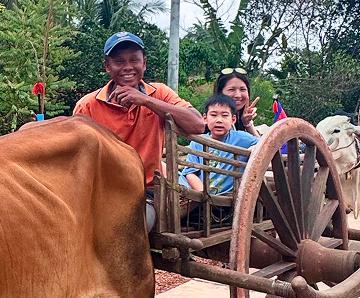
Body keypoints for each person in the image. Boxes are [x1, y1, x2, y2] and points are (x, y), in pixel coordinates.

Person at [73, 31, 204, 230]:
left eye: (134, 60)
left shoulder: (159, 93)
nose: (127, 67)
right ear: (107, 66)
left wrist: (145, 100)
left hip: (146, 193)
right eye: (119, 61)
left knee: (130, 226)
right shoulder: (88, 106)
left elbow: (197, 125)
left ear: (144, 63)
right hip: (100, 192)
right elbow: (76, 157)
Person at [179, 94, 259, 195]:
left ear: (233, 120)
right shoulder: (197, 142)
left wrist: (256, 147)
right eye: (213, 115)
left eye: (225, 115)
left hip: (230, 195)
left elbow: (265, 144)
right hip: (200, 192)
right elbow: (190, 173)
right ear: (205, 118)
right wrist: (205, 195)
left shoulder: (242, 138)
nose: (219, 120)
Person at [214, 67, 260, 137]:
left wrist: (247, 123)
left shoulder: (241, 120)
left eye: (243, 89)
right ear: (220, 92)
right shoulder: (212, 122)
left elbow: (260, 143)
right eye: (231, 89)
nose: (238, 95)